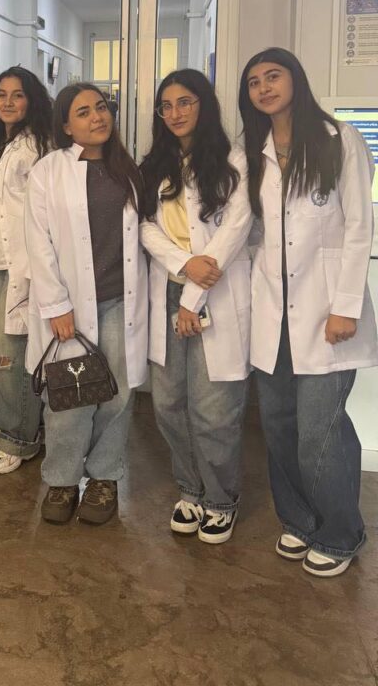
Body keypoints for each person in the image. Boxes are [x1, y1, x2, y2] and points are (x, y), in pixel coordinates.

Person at [239, 47, 377, 577]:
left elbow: (358, 226)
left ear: (295, 78)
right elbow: (254, 231)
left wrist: (346, 306)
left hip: (326, 314)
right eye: (254, 82)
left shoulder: (339, 139)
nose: (264, 87)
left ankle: (341, 533)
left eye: (273, 76)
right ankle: (298, 520)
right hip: (271, 313)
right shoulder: (252, 152)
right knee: (278, 425)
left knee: (320, 428)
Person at [139, 70, 253, 544]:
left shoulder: (234, 161)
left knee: (213, 408)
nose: (175, 113)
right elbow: (144, 227)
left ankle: (221, 498)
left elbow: (235, 229)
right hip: (168, 288)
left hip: (214, 294)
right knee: (168, 403)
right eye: (166, 106)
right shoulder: (153, 165)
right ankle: (190, 489)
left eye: (185, 102)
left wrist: (190, 296)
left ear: (204, 104)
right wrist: (184, 264)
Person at [26, 83, 148, 524]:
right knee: (69, 396)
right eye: (83, 112)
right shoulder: (48, 171)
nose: (97, 117)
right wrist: (57, 304)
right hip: (72, 306)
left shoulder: (128, 169)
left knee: (117, 396)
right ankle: (61, 480)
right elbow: (37, 240)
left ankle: (104, 477)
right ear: (65, 125)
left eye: (101, 107)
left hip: (121, 300)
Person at [0, 66, 52, 475]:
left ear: (31, 100)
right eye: (1, 94)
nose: (7, 102)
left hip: (25, 268)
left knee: (12, 356)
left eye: (17, 94)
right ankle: (21, 422)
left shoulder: (40, 145)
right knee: (0, 356)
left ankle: (18, 439)